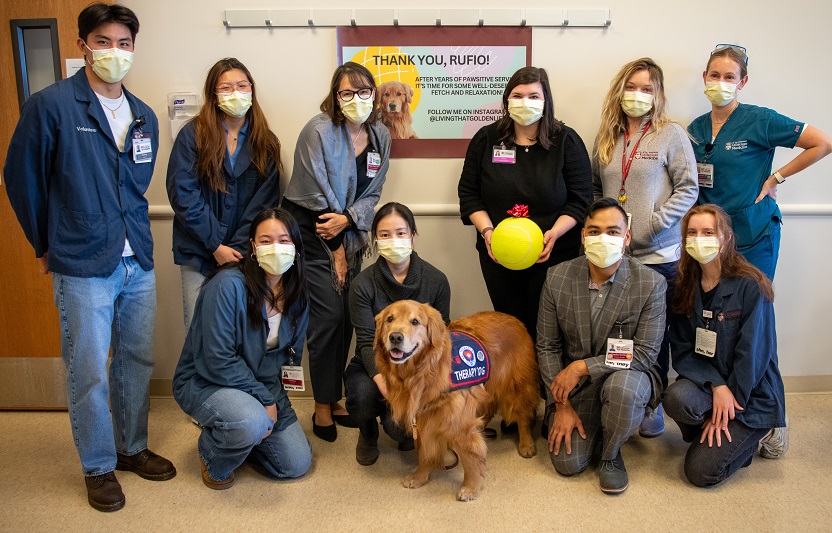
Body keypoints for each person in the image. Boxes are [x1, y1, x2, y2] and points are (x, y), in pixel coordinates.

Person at [3, 3, 175, 512]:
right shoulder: (52, 105)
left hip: (136, 259)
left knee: (135, 360)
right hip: (81, 261)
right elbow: (21, 178)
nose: (114, 53)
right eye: (103, 42)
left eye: (124, 44)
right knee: (89, 368)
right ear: (83, 46)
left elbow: (135, 183)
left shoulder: (141, 113)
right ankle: (98, 465)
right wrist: (43, 243)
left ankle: (132, 447)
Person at [282, 61, 390, 442]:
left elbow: (373, 192)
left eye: (364, 92)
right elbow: (316, 190)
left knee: (347, 317)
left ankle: (332, 394)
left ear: (374, 95)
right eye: (347, 93)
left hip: (349, 230)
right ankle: (321, 407)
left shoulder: (380, 135)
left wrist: (348, 222)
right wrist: (337, 247)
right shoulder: (318, 130)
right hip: (313, 231)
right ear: (335, 96)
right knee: (327, 319)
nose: (356, 100)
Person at [592, 58, 698, 438]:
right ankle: (625, 398)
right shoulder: (607, 138)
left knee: (656, 336)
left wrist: (654, 223)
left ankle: (652, 404)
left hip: (658, 257)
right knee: (620, 331)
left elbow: (689, 188)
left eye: (647, 89)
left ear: (658, 95)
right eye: (632, 87)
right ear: (619, 91)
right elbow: (595, 191)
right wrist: (601, 234)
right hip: (614, 257)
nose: (638, 95)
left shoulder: (671, 135)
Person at [173, 208, 312, 489]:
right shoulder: (227, 286)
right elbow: (217, 359)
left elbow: (286, 360)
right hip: (209, 381)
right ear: (252, 246)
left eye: (284, 240)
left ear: (296, 247)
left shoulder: (297, 294)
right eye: (265, 240)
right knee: (251, 422)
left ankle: (245, 433)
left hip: (262, 385)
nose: (276, 248)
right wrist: (265, 401)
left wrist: (272, 399)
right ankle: (213, 451)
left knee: (297, 464)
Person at [537, 198, 666, 494]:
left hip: (628, 376)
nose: (602, 239)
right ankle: (593, 422)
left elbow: (645, 353)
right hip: (576, 387)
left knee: (622, 391)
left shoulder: (651, 284)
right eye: (594, 231)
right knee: (568, 464)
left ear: (627, 237)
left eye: (613, 231)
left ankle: (611, 453)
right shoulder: (557, 277)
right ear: (582, 236)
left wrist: (583, 366)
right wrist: (561, 405)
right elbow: (547, 346)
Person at [458, 66, 593, 344]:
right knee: (510, 333)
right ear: (507, 100)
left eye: (533, 96)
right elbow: (469, 194)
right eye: (517, 96)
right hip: (499, 256)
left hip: (554, 255)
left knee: (549, 332)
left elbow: (582, 199)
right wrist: (487, 233)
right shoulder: (486, 139)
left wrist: (554, 233)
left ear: (546, 101)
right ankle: (517, 386)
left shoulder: (566, 141)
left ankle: (549, 387)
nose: (525, 102)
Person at [663, 204, 787, 487]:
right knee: (675, 397)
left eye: (708, 232)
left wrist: (732, 399)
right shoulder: (684, 285)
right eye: (692, 233)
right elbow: (682, 350)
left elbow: (753, 355)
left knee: (700, 473)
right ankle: (717, 434)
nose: (699, 239)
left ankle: (760, 433)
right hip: (710, 385)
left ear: (726, 238)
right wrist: (716, 386)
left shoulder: (751, 284)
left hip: (750, 395)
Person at [688, 43, 832, 280]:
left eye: (729, 77)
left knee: (754, 305)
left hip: (753, 234)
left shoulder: (761, 120)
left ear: (742, 82)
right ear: (705, 78)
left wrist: (776, 178)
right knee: (715, 310)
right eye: (715, 75)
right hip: (709, 239)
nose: (720, 82)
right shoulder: (695, 128)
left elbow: (823, 143)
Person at [166, 57, 282, 331]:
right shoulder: (192, 135)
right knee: (200, 330)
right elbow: (183, 194)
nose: (236, 93)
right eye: (226, 88)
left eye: (242, 86)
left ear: (252, 91)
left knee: (240, 330)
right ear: (214, 95)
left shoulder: (266, 141)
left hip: (244, 255)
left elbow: (264, 202)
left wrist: (237, 248)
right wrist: (216, 245)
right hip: (199, 252)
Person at [344, 202, 451, 465]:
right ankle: (368, 432)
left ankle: (403, 425)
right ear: (376, 240)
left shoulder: (436, 280)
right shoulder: (362, 285)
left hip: (420, 368)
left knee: (399, 433)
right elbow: (367, 343)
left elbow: (442, 338)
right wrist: (386, 386)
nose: (394, 240)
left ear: (413, 235)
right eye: (384, 234)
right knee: (360, 396)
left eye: (401, 233)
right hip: (376, 362)